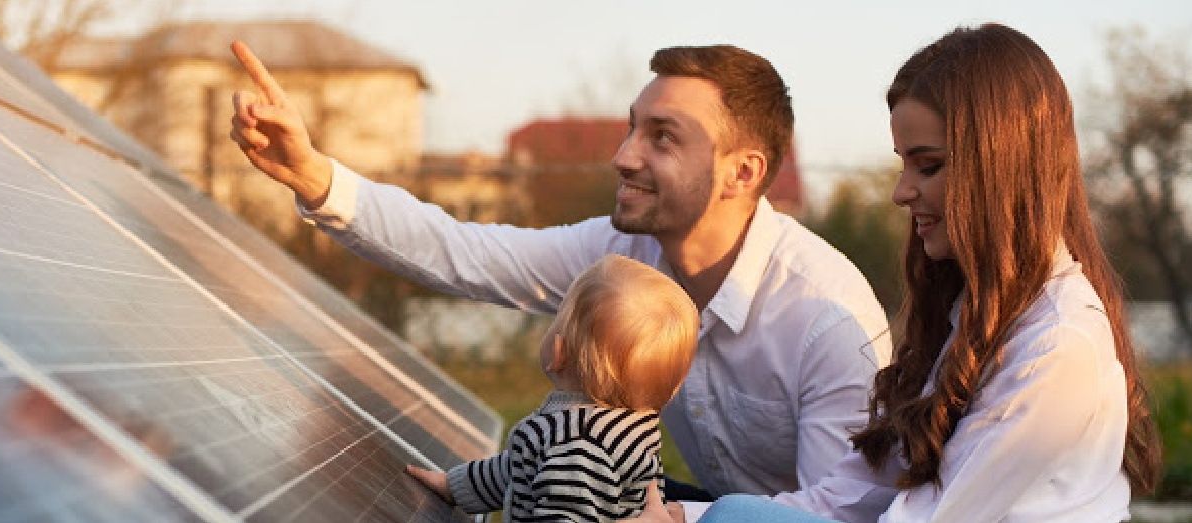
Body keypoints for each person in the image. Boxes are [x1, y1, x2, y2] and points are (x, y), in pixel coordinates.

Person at [228, 41, 893, 500]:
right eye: (633, 127)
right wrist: (317, 178)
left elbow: (835, 513)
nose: (624, 155)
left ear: (742, 172)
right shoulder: (619, 257)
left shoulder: (825, 319)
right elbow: (466, 252)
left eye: (662, 136)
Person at [631, 23, 1163, 523]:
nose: (901, 192)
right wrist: (682, 517)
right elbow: (853, 495)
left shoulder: (1056, 345)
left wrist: (718, 518)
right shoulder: (975, 318)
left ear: (1000, 169)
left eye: (927, 165)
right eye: (902, 163)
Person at [404, 254, 700, 521]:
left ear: (558, 352)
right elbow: (517, 468)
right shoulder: (625, 429)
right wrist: (453, 487)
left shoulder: (578, 447)